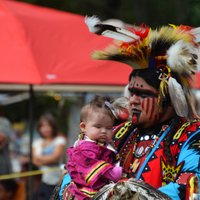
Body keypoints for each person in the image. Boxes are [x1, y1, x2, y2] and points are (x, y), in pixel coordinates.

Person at [59, 18, 200, 200]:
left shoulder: (190, 135)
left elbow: (192, 183)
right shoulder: (117, 133)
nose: (132, 100)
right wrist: (72, 190)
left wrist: (135, 196)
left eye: (142, 94)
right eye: (131, 92)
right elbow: (76, 168)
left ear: (167, 99)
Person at [63, 96, 131, 200]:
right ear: (83, 127)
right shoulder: (85, 148)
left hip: (102, 185)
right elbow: (91, 166)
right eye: (98, 127)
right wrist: (115, 173)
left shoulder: (102, 144)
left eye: (109, 128)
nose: (104, 131)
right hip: (87, 190)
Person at [32, 113, 67, 200]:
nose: (45, 129)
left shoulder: (60, 140)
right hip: (41, 182)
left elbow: (55, 158)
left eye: (48, 126)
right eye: (42, 126)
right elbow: (34, 160)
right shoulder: (36, 142)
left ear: (53, 127)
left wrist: (40, 159)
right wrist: (49, 159)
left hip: (57, 181)